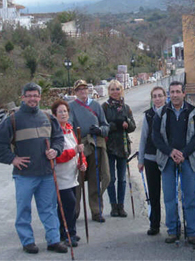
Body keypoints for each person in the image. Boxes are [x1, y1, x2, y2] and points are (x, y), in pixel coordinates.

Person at [0, 82, 68, 254]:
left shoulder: (48, 118)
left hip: (47, 173)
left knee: (48, 208)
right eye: (29, 95)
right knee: (24, 209)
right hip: (24, 175)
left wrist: (55, 150)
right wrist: (12, 159)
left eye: (36, 95)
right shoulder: (13, 120)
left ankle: (54, 240)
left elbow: (58, 138)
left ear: (40, 97)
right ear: (23, 98)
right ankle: (27, 241)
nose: (33, 99)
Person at [152, 81, 195, 245]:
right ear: (169, 95)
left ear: (184, 93)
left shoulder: (194, 112)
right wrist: (170, 152)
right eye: (172, 92)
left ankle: (192, 232)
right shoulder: (161, 113)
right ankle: (173, 231)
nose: (174, 95)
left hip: (188, 158)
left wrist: (184, 153)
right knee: (169, 197)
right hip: (168, 159)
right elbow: (156, 137)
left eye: (177, 92)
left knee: (189, 196)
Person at [69, 79, 110, 223]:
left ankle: (97, 211)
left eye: (84, 89)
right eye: (79, 89)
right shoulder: (71, 107)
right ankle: (74, 211)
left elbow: (106, 126)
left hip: (95, 144)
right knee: (77, 181)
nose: (82, 91)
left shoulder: (96, 106)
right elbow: (69, 127)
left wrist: (100, 130)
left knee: (95, 179)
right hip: (80, 145)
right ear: (75, 92)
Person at [51, 99, 87, 247]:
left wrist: (83, 163)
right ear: (54, 114)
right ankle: (65, 233)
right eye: (60, 111)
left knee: (71, 205)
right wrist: (74, 152)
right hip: (60, 177)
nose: (63, 114)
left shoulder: (70, 129)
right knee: (68, 204)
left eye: (65, 111)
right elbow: (58, 156)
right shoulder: (54, 133)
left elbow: (79, 151)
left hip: (72, 176)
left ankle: (71, 232)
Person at [102, 80, 136, 218]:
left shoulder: (126, 107)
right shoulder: (104, 107)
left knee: (122, 179)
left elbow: (133, 126)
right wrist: (115, 125)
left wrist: (127, 123)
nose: (115, 91)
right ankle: (113, 206)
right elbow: (102, 126)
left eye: (117, 89)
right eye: (112, 89)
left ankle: (121, 206)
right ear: (109, 91)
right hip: (109, 146)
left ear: (121, 90)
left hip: (123, 147)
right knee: (111, 178)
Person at [138, 86, 167, 235]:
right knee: (153, 193)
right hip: (150, 158)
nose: (157, 98)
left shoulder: (170, 112)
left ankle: (172, 223)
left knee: (169, 193)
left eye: (160, 96)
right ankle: (154, 223)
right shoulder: (148, 115)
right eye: (155, 96)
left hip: (167, 158)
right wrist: (141, 159)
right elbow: (143, 138)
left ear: (165, 97)